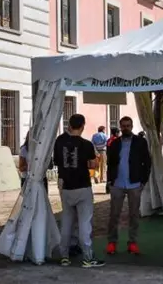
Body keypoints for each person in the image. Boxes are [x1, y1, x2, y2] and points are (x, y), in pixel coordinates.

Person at [54, 114, 105, 268]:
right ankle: (88, 257)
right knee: (84, 224)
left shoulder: (59, 141)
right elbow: (92, 165)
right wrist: (96, 161)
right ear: (83, 125)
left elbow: (57, 161)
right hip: (82, 186)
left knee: (67, 222)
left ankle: (64, 256)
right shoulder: (86, 144)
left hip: (66, 187)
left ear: (69, 125)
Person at [106, 116, 152, 255]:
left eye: (128, 125)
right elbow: (110, 163)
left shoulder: (140, 142)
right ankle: (112, 242)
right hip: (118, 183)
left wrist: (143, 181)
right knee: (114, 214)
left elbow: (147, 162)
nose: (126, 128)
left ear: (132, 127)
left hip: (134, 183)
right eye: (123, 126)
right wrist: (109, 181)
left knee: (134, 215)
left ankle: (132, 242)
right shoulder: (115, 143)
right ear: (120, 127)